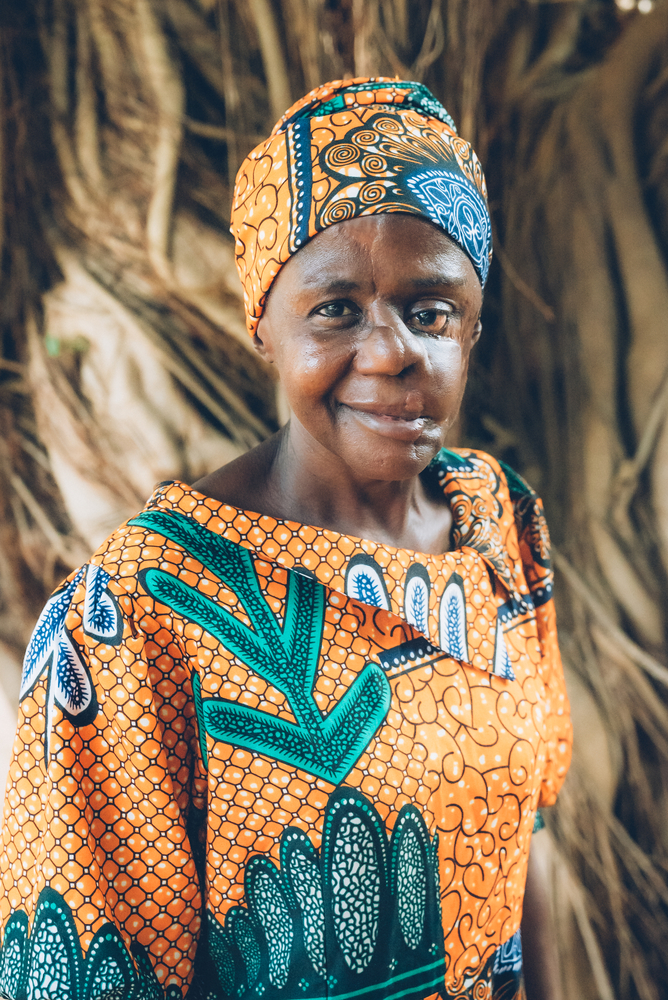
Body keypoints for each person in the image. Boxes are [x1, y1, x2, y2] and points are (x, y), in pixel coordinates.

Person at [0, 78, 571, 1000]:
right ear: (260, 323)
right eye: (337, 309)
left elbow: (525, 843)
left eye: (431, 311)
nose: (391, 352)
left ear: (472, 326)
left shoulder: (499, 525)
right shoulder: (141, 613)